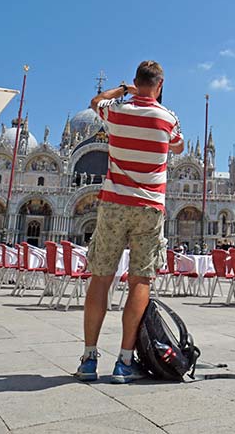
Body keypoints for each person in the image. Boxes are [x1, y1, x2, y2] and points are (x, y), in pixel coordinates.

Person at [76, 61, 184, 384]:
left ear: (136, 82)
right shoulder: (169, 119)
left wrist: (123, 91)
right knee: (140, 282)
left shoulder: (116, 112)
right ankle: (124, 362)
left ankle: (89, 358)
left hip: (113, 204)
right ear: (161, 85)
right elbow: (177, 146)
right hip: (150, 208)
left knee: (101, 278)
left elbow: (94, 103)